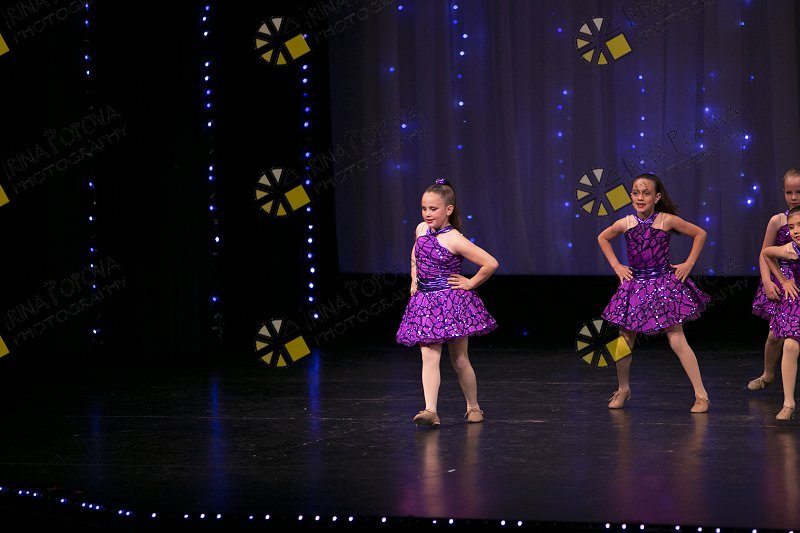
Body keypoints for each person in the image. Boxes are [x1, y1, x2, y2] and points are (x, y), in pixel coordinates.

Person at [597, 173, 712, 413]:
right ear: (630, 195)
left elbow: (700, 234)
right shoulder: (626, 223)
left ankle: (701, 395)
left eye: (646, 193)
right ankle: (623, 389)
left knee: (677, 339)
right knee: (623, 340)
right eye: (636, 193)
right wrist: (617, 266)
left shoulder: (666, 220)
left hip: (662, 285)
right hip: (635, 286)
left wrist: (689, 264)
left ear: (657, 197)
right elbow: (603, 238)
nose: (640, 198)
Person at [396, 178, 499, 427]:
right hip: (425, 303)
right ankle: (430, 410)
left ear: (448, 210)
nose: (427, 213)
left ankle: (473, 407)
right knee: (429, 355)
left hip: (450, 303)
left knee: (459, 359)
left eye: (433, 209)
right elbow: (416, 253)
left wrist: (470, 283)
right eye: (424, 208)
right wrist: (414, 278)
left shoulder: (454, 239)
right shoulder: (421, 229)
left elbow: (490, 263)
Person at [747, 168, 800, 391]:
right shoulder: (778, 220)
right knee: (775, 334)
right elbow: (764, 253)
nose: (794, 197)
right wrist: (768, 282)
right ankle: (768, 374)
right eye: (789, 192)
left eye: (798, 192)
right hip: (783, 279)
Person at [759, 205, 800, 421]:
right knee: (789, 344)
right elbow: (767, 253)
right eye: (791, 227)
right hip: (796, 300)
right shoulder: (791, 249)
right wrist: (783, 280)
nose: (796, 231)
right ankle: (788, 403)